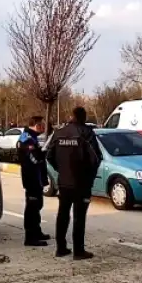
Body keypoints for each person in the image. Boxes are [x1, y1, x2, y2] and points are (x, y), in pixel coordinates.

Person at [46, 107, 102, 260]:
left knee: (62, 215)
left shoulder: (58, 133)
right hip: (81, 183)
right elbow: (96, 158)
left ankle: (61, 248)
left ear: (71, 116)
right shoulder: (86, 133)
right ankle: (78, 251)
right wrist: (89, 176)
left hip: (64, 182)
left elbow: (49, 155)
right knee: (79, 217)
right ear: (83, 117)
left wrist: (62, 170)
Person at [16, 116, 50, 247]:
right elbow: (34, 160)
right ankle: (30, 237)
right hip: (31, 178)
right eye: (41, 124)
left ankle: (37, 231)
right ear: (35, 125)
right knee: (32, 207)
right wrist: (43, 153)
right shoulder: (26, 139)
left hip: (37, 178)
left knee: (37, 205)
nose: (43, 127)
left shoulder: (32, 137)